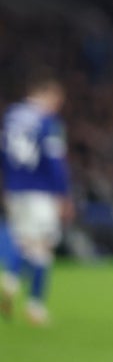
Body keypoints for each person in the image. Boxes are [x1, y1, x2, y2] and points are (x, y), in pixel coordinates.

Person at [1, 69, 71, 326]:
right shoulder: (47, 121)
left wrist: (7, 186)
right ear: (46, 93)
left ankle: (13, 281)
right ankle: (32, 303)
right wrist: (63, 194)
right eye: (57, 99)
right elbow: (55, 161)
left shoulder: (11, 116)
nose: (57, 106)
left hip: (15, 190)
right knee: (42, 248)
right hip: (41, 192)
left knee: (24, 242)